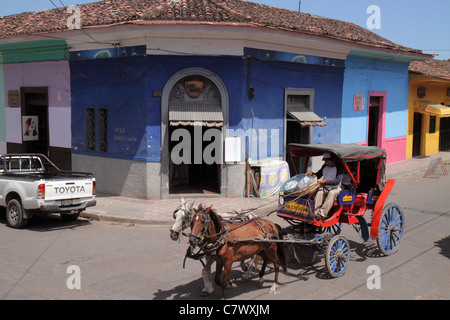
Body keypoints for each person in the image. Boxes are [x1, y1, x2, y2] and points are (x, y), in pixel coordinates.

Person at [306, 152, 344, 220]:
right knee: (319, 192)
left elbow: (337, 181)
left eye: (328, 161)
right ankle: (315, 213)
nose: (326, 163)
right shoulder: (324, 166)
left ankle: (323, 214)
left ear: (333, 160)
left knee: (332, 193)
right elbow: (319, 174)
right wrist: (312, 174)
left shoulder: (339, 168)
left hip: (335, 188)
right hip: (325, 187)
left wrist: (325, 182)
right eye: (325, 161)